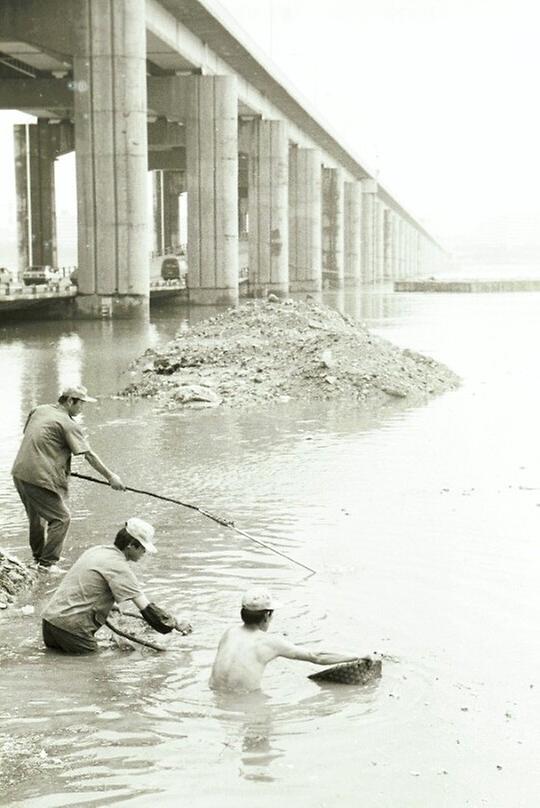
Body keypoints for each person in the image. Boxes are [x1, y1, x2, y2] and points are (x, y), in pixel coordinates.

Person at [11, 384, 126, 572]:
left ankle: (38, 558)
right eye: (81, 403)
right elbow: (89, 455)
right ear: (70, 401)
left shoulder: (39, 410)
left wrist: (56, 462)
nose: (82, 408)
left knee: (37, 518)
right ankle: (47, 564)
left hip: (20, 472)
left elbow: (36, 437)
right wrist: (111, 477)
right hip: (39, 478)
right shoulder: (69, 424)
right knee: (61, 518)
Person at [41, 517, 192, 655]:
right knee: (96, 671)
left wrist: (109, 607)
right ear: (131, 546)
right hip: (72, 630)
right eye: (143, 548)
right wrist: (175, 624)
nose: (144, 553)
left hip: (50, 622)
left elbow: (84, 588)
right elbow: (148, 610)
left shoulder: (97, 550)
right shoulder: (120, 567)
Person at [210, 589, 362, 692]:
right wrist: (358, 656)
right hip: (246, 703)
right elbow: (316, 656)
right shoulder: (269, 642)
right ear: (267, 616)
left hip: (215, 696)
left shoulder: (229, 633)